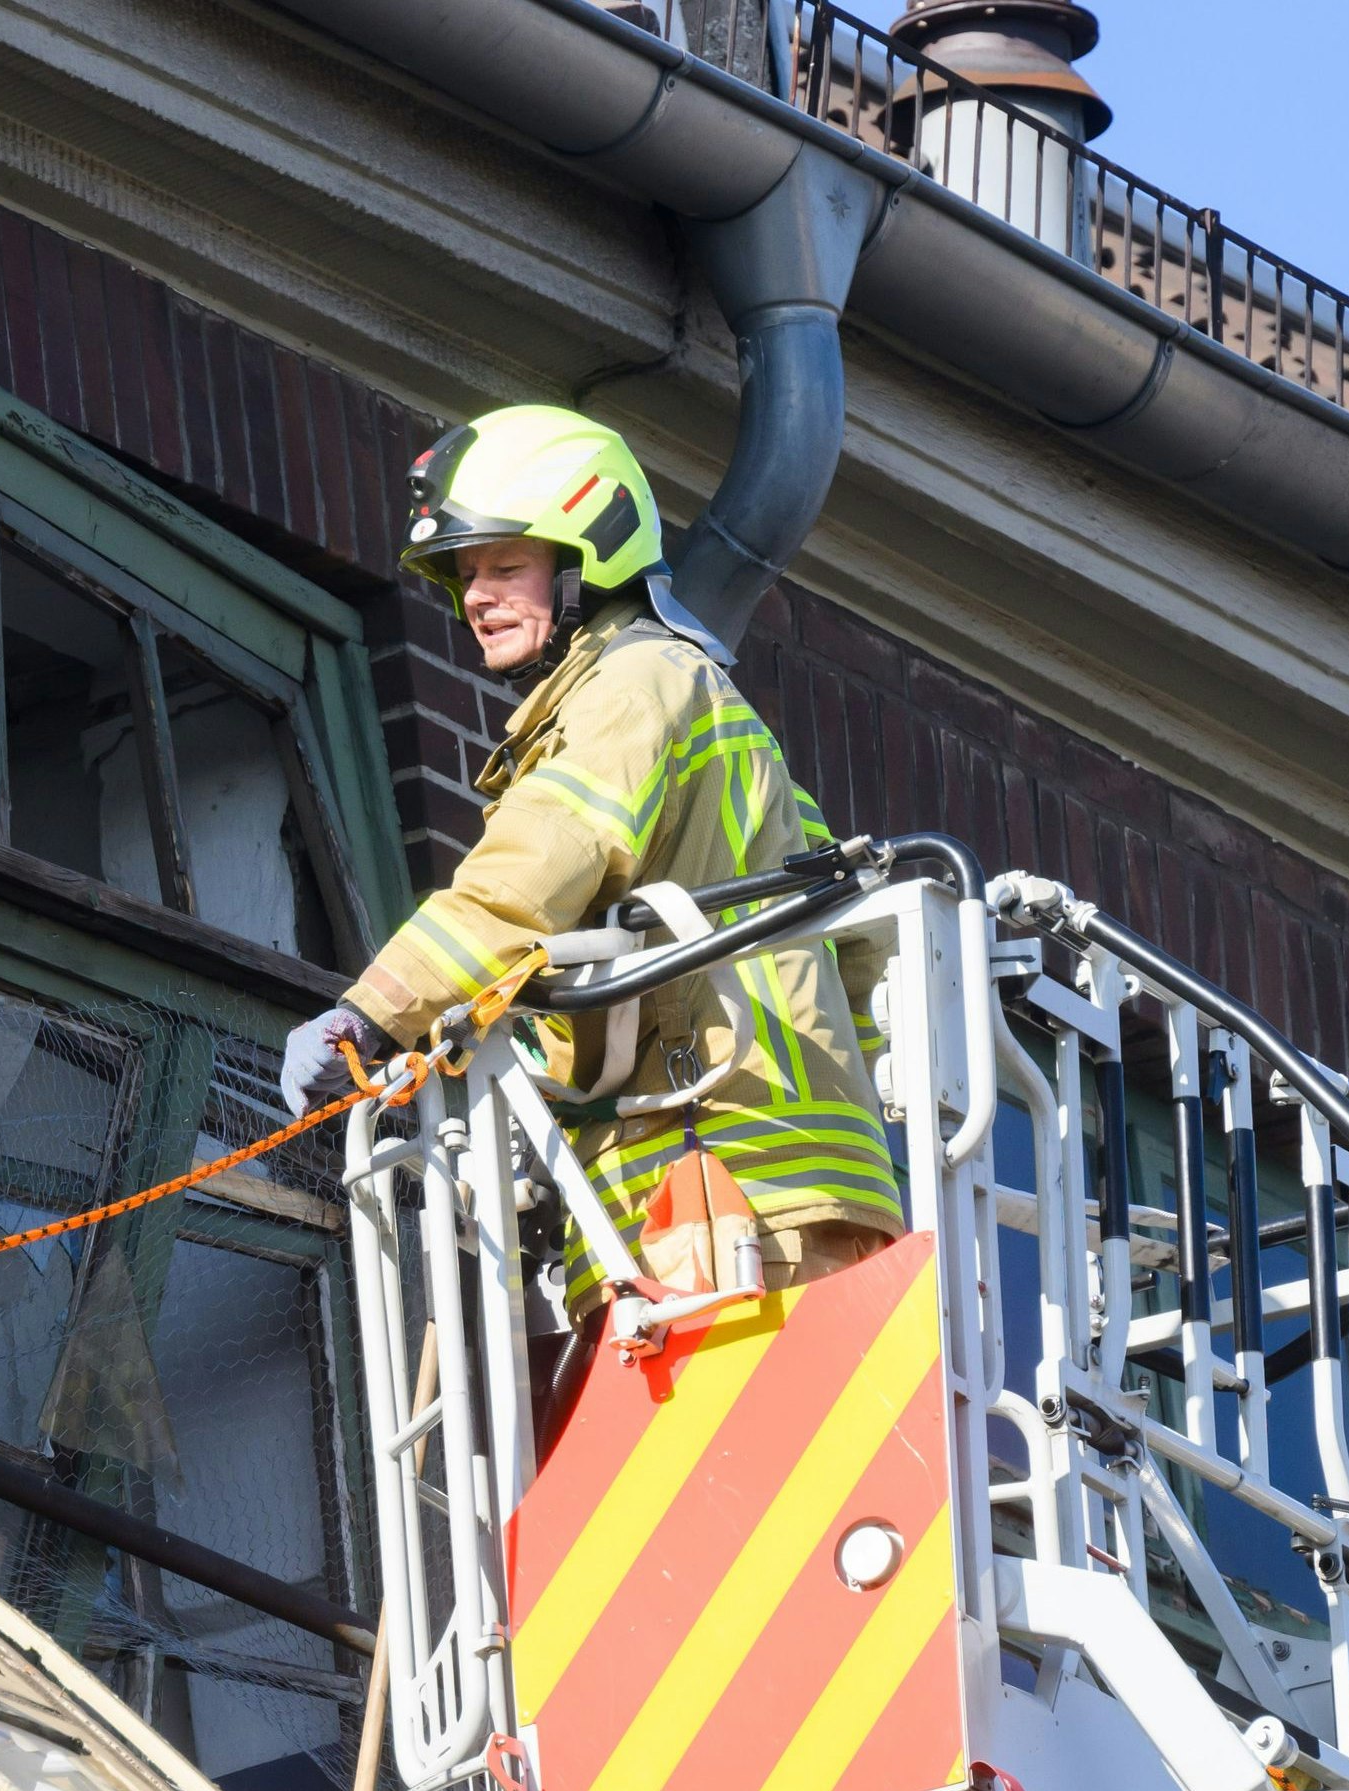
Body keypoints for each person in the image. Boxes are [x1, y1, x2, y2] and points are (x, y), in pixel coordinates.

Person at [283, 405, 903, 1335]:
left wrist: (372, 1013)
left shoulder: (636, 683)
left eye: (503, 565)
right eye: (463, 574)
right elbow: (848, 961)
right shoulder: (678, 702)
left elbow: (530, 876)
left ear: (587, 558)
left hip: (731, 1190)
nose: (475, 596)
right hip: (722, 1192)